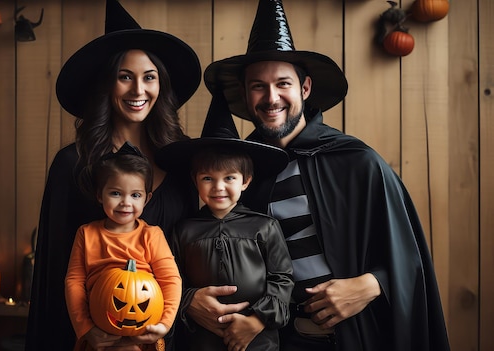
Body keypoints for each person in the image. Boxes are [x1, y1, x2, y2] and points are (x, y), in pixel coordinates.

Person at [189, 0, 451, 350]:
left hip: (353, 338)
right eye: (258, 86)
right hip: (275, 340)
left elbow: (408, 253)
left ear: (305, 89)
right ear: (245, 94)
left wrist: (372, 284)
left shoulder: (356, 162)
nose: (271, 97)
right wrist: (191, 297)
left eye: (283, 83)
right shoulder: (240, 177)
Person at [25, 0, 201, 350]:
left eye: (149, 77)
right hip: (94, 340)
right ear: (106, 85)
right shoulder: (72, 165)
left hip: (170, 335)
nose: (138, 91)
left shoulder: (184, 163)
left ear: (161, 85)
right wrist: (89, 332)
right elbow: (57, 272)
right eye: (125, 77)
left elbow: (191, 258)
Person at [155, 92, 294, 351]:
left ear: (246, 181)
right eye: (207, 178)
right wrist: (188, 302)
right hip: (201, 341)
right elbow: (171, 279)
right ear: (195, 181)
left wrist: (257, 320)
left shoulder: (264, 227)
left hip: (257, 340)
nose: (218, 187)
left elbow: (282, 279)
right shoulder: (184, 230)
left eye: (229, 178)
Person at [65, 142, 182, 351]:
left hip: (142, 333)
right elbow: (74, 282)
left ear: (147, 199)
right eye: (116, 193)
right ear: (100, 195)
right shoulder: (87, 234)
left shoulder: (151, 235)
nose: (126, 202)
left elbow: (170, 279)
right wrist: (85, 329)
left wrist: (164, 324)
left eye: (135, 195)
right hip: (98, 334)